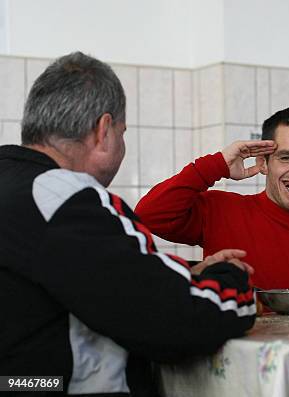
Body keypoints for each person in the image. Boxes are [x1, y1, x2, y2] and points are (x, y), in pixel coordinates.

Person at [0, 52, 256, 396]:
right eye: (122, 132)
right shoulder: (63, 197)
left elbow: (89, 274)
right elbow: (177, 322)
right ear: (104, 131)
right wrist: (235, 281)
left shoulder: (12, 182)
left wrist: (189, 273)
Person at [135, 106, 289, 302]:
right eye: (286, 157)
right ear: (263, 163)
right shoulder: (221, 210)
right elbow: (149, 216)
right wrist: (217, 165)